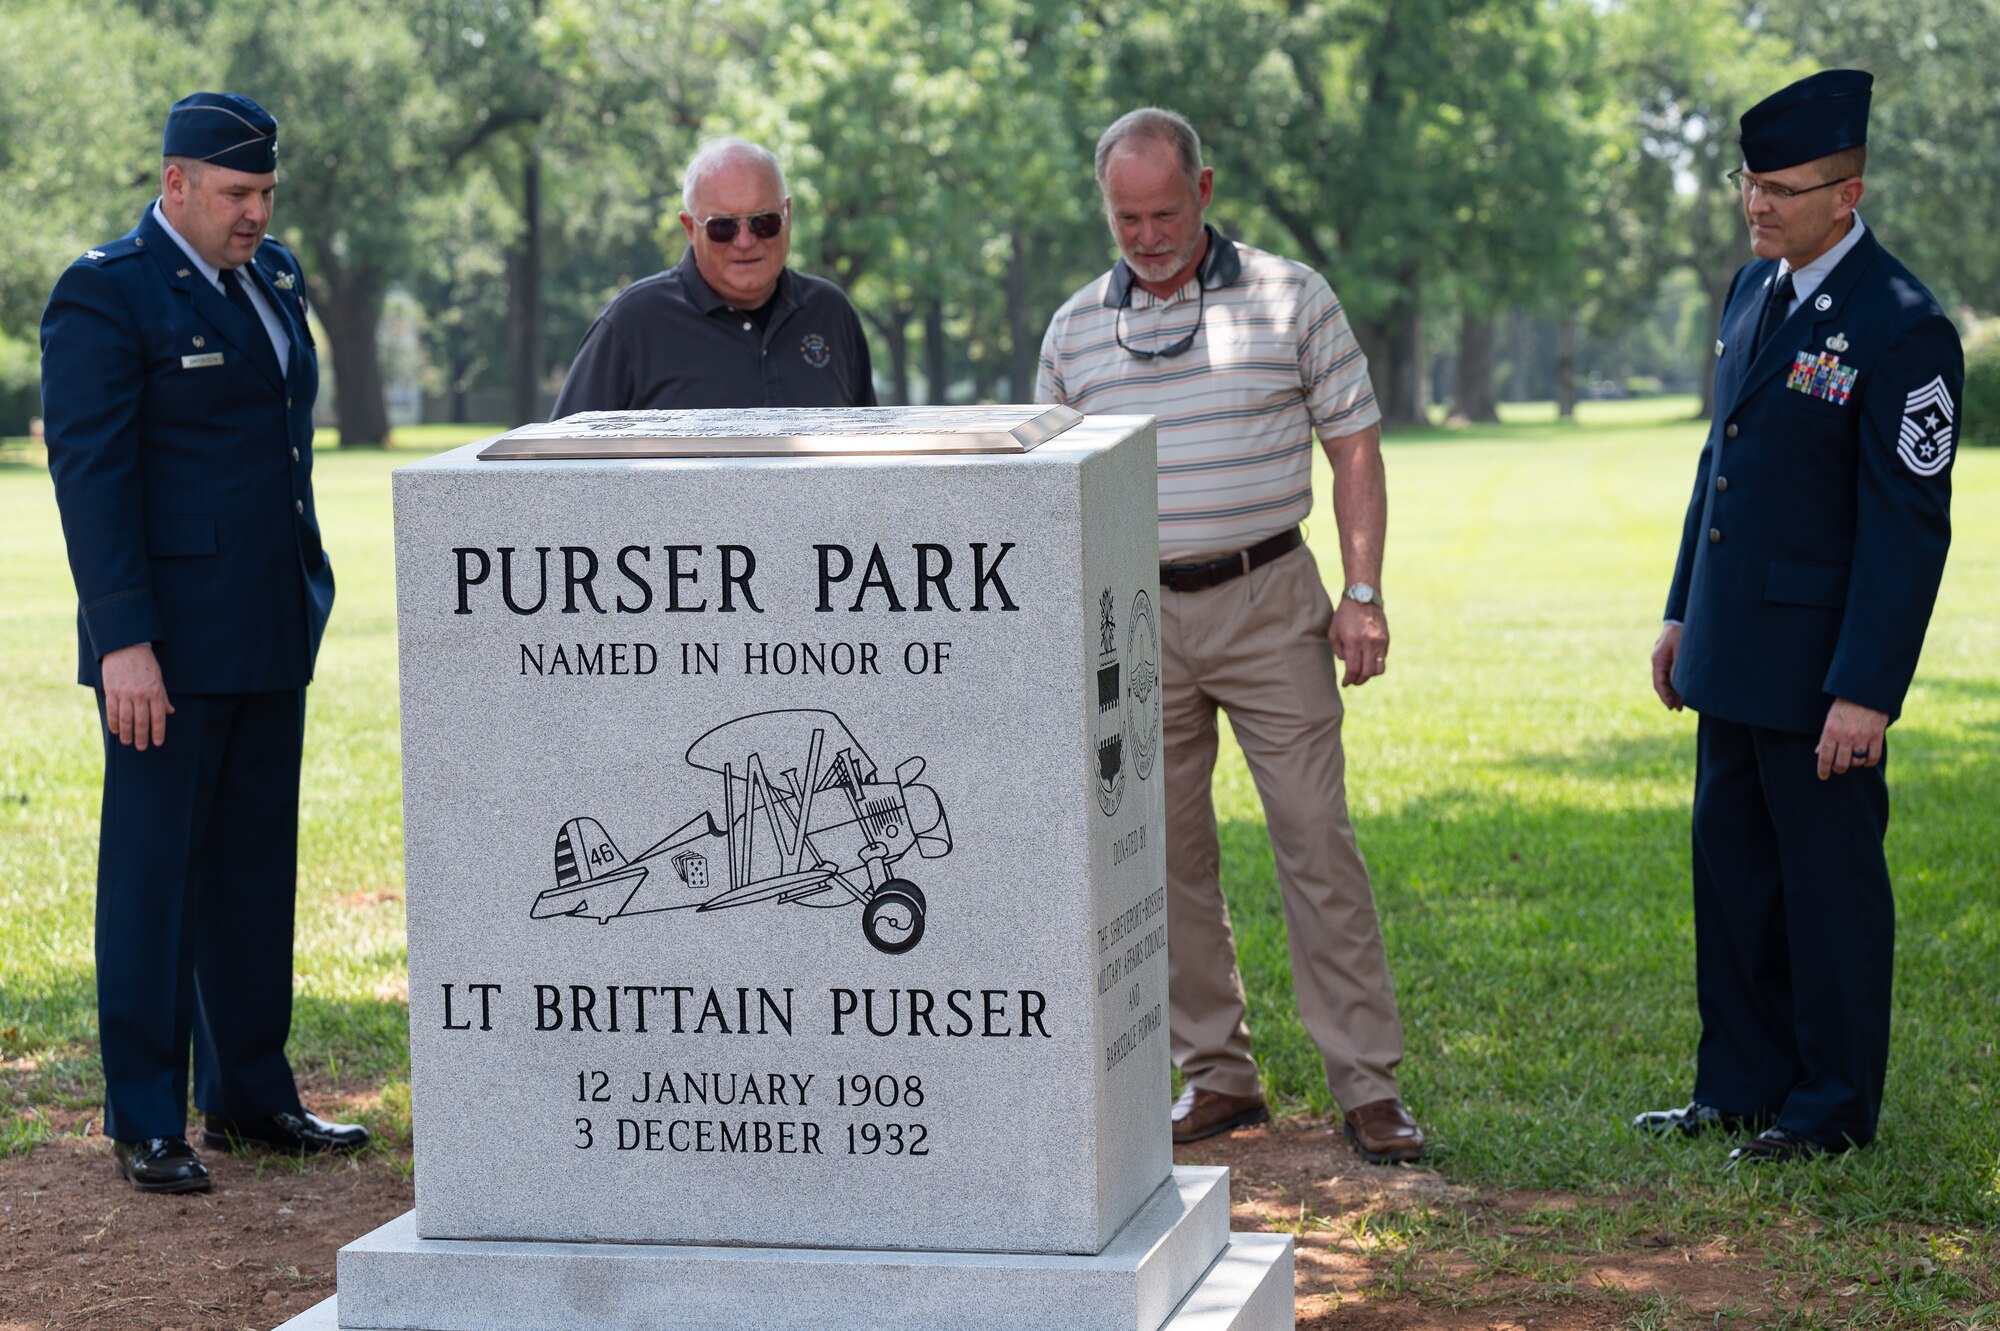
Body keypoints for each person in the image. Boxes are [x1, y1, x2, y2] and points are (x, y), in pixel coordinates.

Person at [1037, 108, 1424, 1164]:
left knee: (1313, 836)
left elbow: (1353, 446)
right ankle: (1214, 1073)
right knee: (1160, 852)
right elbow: (1049, 492)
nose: (1148, 235)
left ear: (1203, 190)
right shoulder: (1073, 331)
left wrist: (1361, 589)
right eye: (1126, 218)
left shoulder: (1289, 296)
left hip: (1268, 597)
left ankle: (1366, 1083)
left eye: (1165, 212)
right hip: (1133, 614)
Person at [41, 92, 367, 1195]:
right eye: (236, 194)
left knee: (250, 868)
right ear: (175, 181)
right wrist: (123, 640)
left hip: (271, 623)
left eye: (267, 193)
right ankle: (145, 1114)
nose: (256, 214)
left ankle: (249, 1095)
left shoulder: (275, 279)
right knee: (152, 876)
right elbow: (92, 478)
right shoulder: (107, 291)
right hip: (166, 649)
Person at [1642, 70, 1959, 1167]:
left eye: (1780, 188)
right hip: (1730, 650)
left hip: (1820, 668)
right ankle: (1734, 1086)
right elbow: (1716, 467)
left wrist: (1864, 687)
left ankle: (1826, 1107)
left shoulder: (1902, 325)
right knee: (1729, 875)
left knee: (1824, 893)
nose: (1755, 204)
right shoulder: (1749, 290)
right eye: (1748, 182)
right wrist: (1683, 611)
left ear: (1846, 190)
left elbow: (1906, 528)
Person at [553, 137, 876, 414]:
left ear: (787, 215)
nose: (746, 241)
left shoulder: (830, 313)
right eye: (723, 227)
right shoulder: (631, 324)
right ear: (690, 228)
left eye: (764, 222)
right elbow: (561, 470)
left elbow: (873, 458)